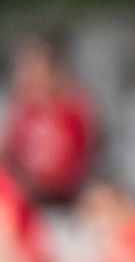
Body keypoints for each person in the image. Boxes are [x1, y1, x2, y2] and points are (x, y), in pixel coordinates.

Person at [0, 34, 98, 208]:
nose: (27, 74)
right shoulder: (22, 111)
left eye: (34, 66)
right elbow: (11, 155)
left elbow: (82, 158)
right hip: (26, 197)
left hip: (65, 201)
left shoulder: (73, 109)